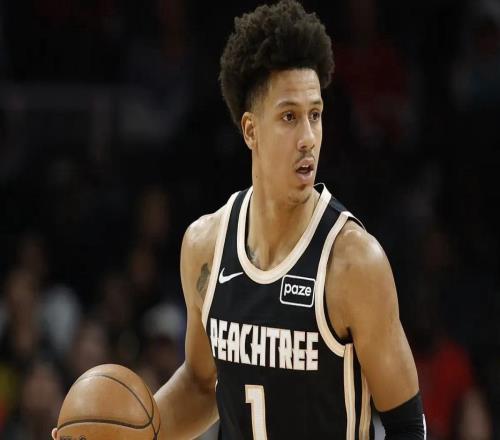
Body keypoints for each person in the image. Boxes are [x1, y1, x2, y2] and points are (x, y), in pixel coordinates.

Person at [52, 1, 425, 439]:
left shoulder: (354, 262)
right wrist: (129, 434)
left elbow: (407, 426)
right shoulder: (205, 246)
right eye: (289, 117)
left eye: (315, 115)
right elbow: (200, 385)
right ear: (250, 130)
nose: (308, 138)